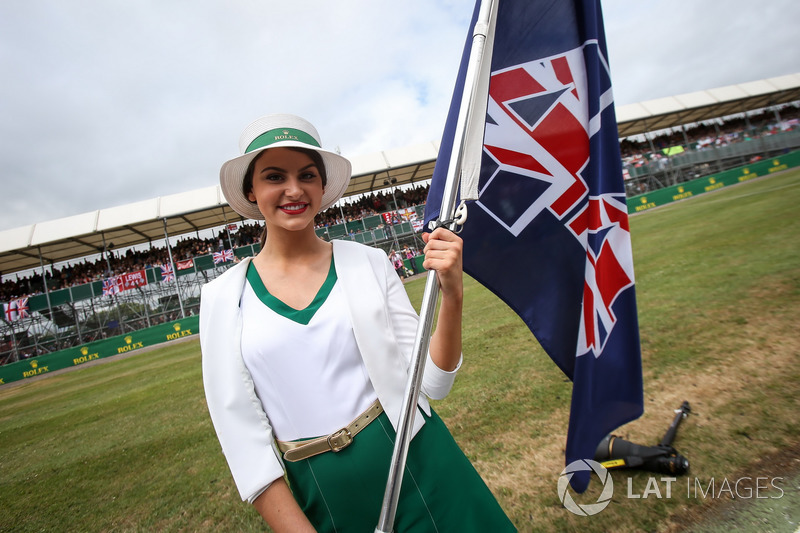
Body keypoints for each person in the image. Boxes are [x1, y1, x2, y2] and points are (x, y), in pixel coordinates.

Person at [200, 114, 515, 532]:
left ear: (322, 186)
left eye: (307, 175)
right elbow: (244, 444)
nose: (294, 190)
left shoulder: (368, 262)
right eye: (275, 176)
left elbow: (434, 383)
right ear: (251, 191)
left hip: (418, 458)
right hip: (326, 493)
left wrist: (452, 295)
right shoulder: (222, 297)